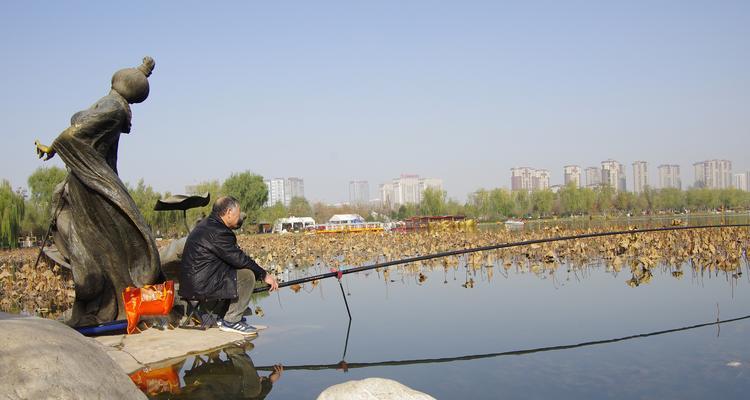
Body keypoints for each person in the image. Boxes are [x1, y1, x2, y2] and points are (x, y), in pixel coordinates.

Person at [34, 57, 162, 327]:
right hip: (88, 182)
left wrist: (53, 147)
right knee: (97, 244)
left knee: (100, 244)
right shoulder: (112, 105)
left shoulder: (113, 107)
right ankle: (104, 303)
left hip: (92, 183)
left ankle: (108, 304)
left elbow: (73, 136)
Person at [179, 196, 279, 335]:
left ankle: (223, 316)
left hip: (192, 284)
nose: (239, 219)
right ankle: (231, 321)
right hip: (201, 285)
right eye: (238, 215)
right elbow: (239, 259)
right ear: (228, 213)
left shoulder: (206, 225)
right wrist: (264, 275)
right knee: (247, 276)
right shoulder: (219, 232)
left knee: (235, 272)